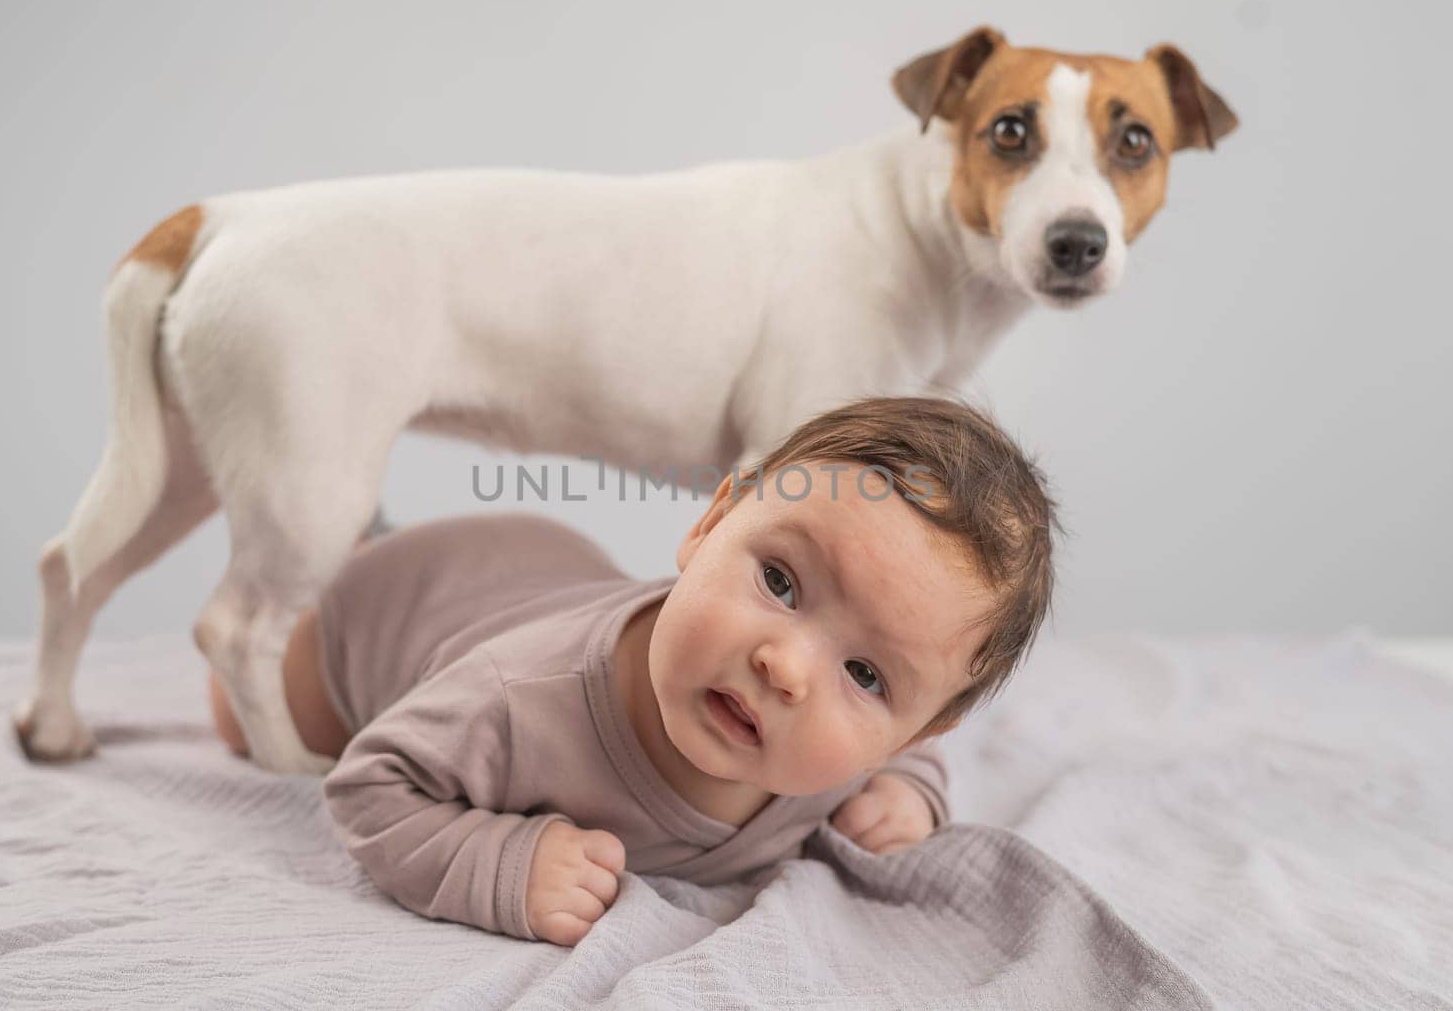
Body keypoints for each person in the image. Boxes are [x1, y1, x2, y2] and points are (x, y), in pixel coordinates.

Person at [209, 396, 1058, 946]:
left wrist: (910, 793)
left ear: (916, 727)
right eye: (779, 580)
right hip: (398, 600)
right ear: (710, 522)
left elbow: (900, 757)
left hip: (551, 565)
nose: (788, 667)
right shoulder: (513, 699)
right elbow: (369, 784)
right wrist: (502, 861)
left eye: (867, 676)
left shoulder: (844, 761)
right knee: (247, 715)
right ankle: (347, 544)